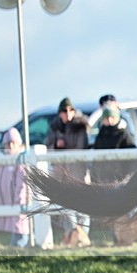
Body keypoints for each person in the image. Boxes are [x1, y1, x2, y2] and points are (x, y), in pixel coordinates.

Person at [46, 97, 91, 246]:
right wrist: (57, 146)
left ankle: (82, 236)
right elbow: (48, 147)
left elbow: (81, 149)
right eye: (64, 111)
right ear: (60, 113)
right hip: (61, 173)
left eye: (70, 110)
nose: (67, 113)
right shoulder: (55, 127)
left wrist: (65, 148)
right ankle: (72, 235)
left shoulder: (80, 126)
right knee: (66, 206)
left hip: (77, 172)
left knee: (83, 206)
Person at [0, 128, 30, 247]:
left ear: (18, 144)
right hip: (9, 203)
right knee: (15, 227)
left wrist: (20, 199)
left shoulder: (20, 160)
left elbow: (22, 182)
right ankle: (18, 246)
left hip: (18, 202)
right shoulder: (5, 160)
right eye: (7, 143)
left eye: (13, 143)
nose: (10, 146)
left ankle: (21, 247)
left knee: (21, 226)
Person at [91, 103, 137, 184]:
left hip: (119, 180)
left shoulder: (123, 135)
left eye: (112, 117)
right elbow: (95, 160)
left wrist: (127, 179)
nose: (109, 120)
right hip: (102, 179)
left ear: (117, 117)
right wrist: (94, 177)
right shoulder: (100, 136)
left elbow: (132, 160)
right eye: (106, 117)